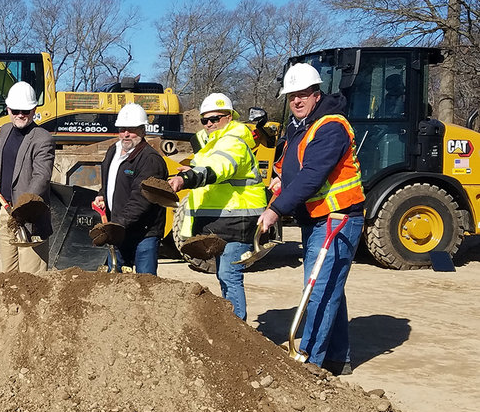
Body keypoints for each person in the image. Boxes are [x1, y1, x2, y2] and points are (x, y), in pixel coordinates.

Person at [257, 63, 365, 376]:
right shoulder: (298, 126)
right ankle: (337, 358)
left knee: (317, 291)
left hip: (337, 217)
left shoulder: (331, 126)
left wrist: (276, 209)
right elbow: (289, 164)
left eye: (303, 94)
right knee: (331, 289)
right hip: (314, 218)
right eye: (292, 96)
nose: (297, 100)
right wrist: (279, 180)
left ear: (317, 94)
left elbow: (313, 175)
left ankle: (311, 364)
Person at [168, 93, 267, 320]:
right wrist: (190, 173)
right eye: (205, 120)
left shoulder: (234, 141)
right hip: (224, 220)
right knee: (224, 276)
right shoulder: (213, 144)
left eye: (215, 118)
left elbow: (220, 168)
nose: (210, 124)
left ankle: (236, 328)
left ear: (229, 117)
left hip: (239, 219)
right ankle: (230, 325)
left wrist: (187, 179)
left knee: (229, 274)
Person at [0, 81, 54, 273]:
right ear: (8, 109)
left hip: (30, 214)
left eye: (25, 110)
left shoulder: (42, 138)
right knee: (9, 273)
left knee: (32, 277)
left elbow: (42, 175)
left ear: (34, 110)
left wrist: (24, 206)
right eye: (15, 110)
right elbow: (4, 163)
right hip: (6, 211)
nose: (20, 115)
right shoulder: (5, 131)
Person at [93, 102, 167, 274]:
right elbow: (110, 181)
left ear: (143, 130)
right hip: (119, 231)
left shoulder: (150, 160)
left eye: (131, 129)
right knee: (115, 283)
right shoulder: (114, 150)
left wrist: (116, 225)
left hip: (143, 234)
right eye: (122, 129)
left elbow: (141, 199)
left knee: (145, 285)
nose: (126, 134)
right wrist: (102, 195)